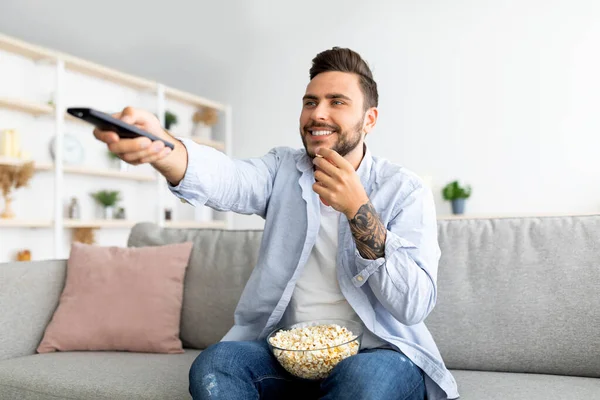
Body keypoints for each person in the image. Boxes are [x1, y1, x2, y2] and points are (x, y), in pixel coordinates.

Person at [94, 47, 459, 400]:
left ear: (369, 120)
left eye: (337, 102)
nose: (318, 114)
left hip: (378, 355)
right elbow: (229, 178)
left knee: (362, 380)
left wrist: (357, 209)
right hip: (289, 356)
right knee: (216, 364)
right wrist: (164, 149)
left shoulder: (405, 190)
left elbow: (414, 305)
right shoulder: (282, 169)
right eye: (310, 102)